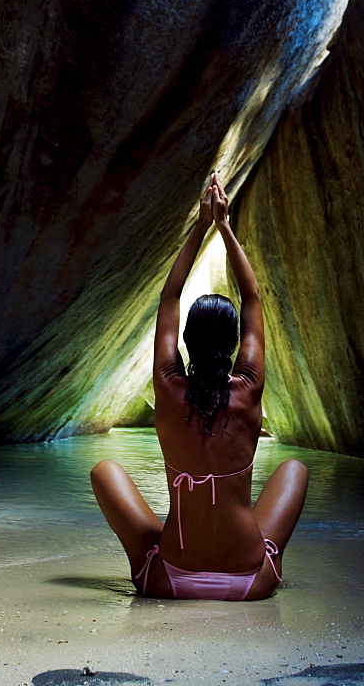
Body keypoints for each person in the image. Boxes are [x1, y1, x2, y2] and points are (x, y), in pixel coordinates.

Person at [90, 172, 308, 600]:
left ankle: (165, 561)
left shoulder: (170, 389)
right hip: (251, 580)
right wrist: (224, 227)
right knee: (295, 469)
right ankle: (269, 561)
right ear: (233, 346)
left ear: (186, 341)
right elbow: (253, 299)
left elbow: (169, 298)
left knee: (105, 471)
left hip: (171, 577)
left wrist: (199, 225)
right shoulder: (247, 387)